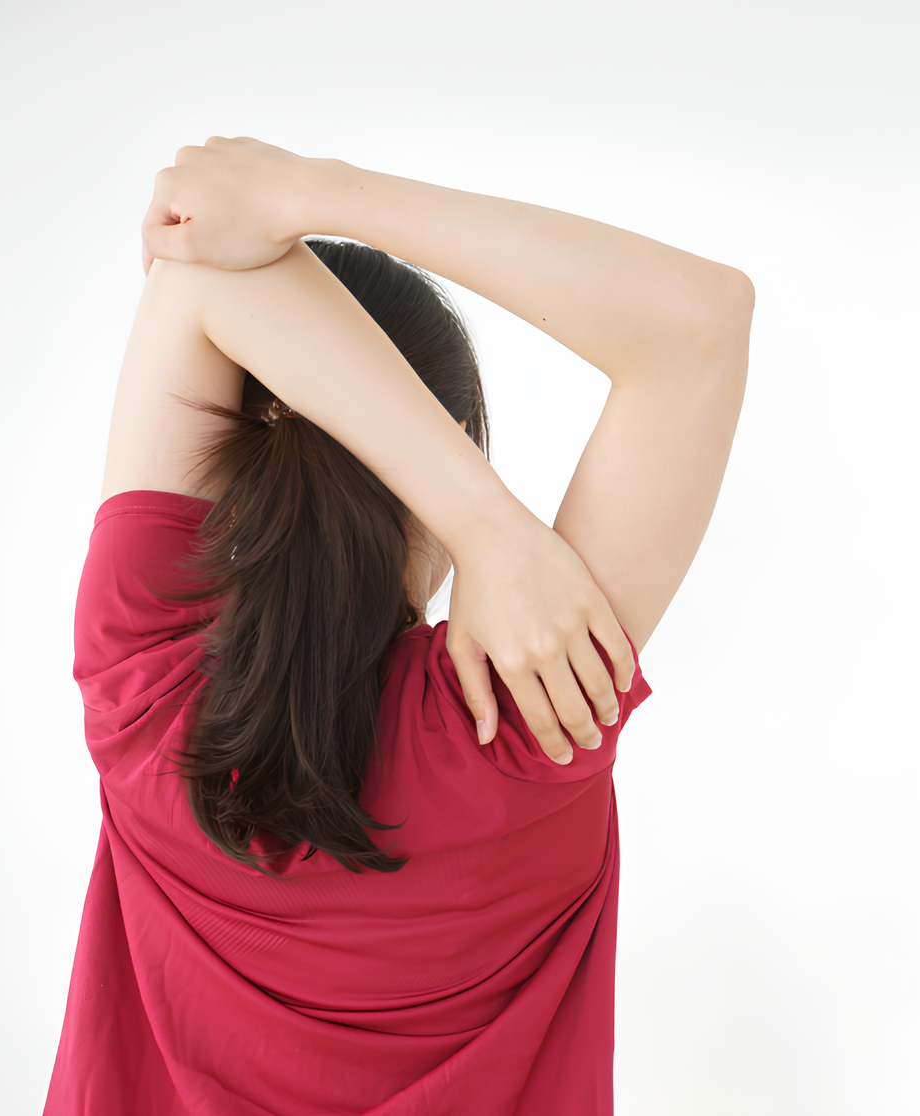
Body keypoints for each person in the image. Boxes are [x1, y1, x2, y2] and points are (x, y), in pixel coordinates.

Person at [44, 137, 752, 1116]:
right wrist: (492, 528)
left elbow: (196, 278)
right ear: (452, 443)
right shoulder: (535, 714)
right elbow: (697, 322)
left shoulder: (144, 679)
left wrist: (481, 517)